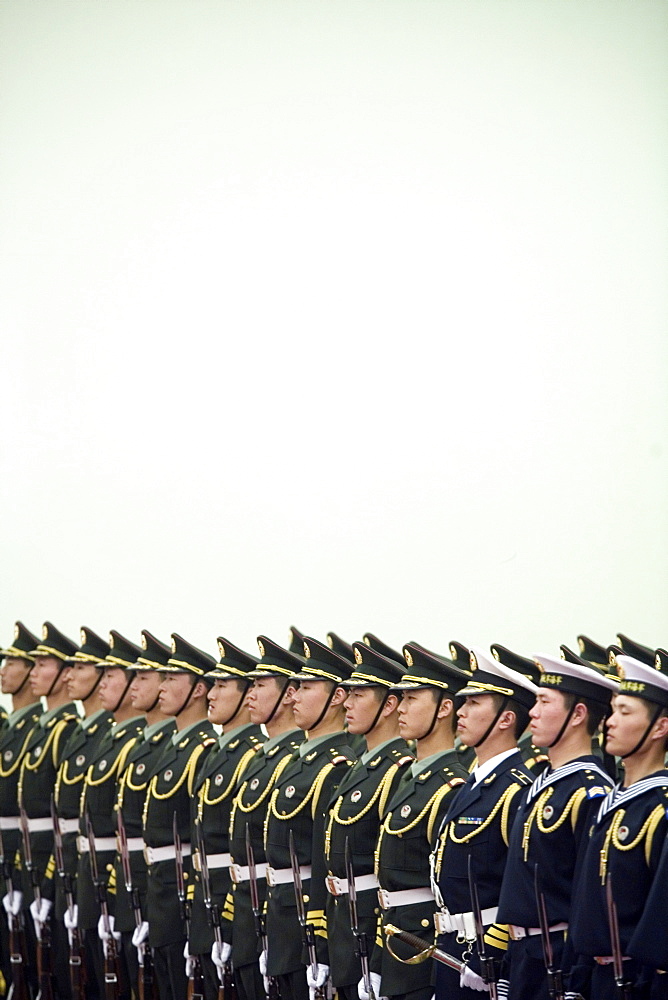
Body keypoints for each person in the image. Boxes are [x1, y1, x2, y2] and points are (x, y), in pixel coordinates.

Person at [496, 653, 618, 1000]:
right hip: (526, 956)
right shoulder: (545, 784)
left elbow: (589, 896)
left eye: (544, 702)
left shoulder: (589, 791)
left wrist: (577, 980)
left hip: (559, 959)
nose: (532, 713)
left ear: (578, 714)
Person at [432, 646, 538, 998]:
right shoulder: (473, 784)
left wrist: (494, 953)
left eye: (474, 703)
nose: (460, 712)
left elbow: (520, 884)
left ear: (506, 719)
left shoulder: (515, 789)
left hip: (488, 959)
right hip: (452, 950)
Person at [367, 643, 470, 1000]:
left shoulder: (451, 785)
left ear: (444, 708)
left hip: (424, 948)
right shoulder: (411, 777)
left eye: (412, 698)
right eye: (401, 697)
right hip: (396, 941)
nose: (401, 707)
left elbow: (448, 890)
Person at [569, 650, 668, 1000]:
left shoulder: (659, 808)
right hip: (596, 978)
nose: (609, 721)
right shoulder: (611, 803)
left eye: (624, 712)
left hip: (637, 983)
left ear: (660, 726)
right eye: (612, 711)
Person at [263, 636, 356, 1000]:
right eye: (294, 687)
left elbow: (324, 856)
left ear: (336, 697)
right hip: (281, 915)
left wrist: (318, 927)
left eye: (306, 687)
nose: (294, 696)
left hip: (306, 919)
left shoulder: (335, 766)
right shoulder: (295, 762)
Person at [321, 640, 412, 1000]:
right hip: (345, 925)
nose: (347, 702)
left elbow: (391, 870)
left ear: (389, 704)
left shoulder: (397, 771)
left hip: (370, 928)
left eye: (359, 695)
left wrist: (377, 957)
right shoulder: (362, 767)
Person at [139, 633, 217, 1000]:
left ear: (199, 690)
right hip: (158, 885)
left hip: (181, 887)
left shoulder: (202, 749)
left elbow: (198, 832)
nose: (163, 687)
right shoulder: (172, 746)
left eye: (172, 679)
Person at [225, 636, 304, 1000]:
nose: (250, 694)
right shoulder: (260, 757)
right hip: (250, 906)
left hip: (281, 911)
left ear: (288, 695)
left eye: (259, 685)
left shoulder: (294, 761)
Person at [187, 636, 264, 1000]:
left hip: (232, 896)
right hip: (205, 893)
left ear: (247, 694)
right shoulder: (216, 753)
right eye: (212, 684)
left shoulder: (249, 756)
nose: (211, 695)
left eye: (222, 686)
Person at [46, 626, 115, 1000]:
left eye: (82, 668)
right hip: (71, 859)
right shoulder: (82, 732)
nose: (69, 675)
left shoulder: (103, 731)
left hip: (103, 869)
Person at [77, 631, 145, 1000]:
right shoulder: (112, 736)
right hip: (97, 870)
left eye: (110, 677)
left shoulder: (133, 741)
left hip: (128, 876)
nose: (102, 685)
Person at [18, 621, 80, 998]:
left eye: (43, 665)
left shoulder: (65, 727)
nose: (33, 672)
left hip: (55, 852)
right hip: (28, 849)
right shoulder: (41, 726)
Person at [112, 630, 176, 998]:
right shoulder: (144, 744)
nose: (137, 685)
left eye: (147, 677)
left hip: (171, 889)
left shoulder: (191, 750)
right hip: (139, 880)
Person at [0, 622, 41, 993]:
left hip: (28, 853)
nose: (3, 669)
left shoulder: (44, 731)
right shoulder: (8, 727)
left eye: (12, 662)